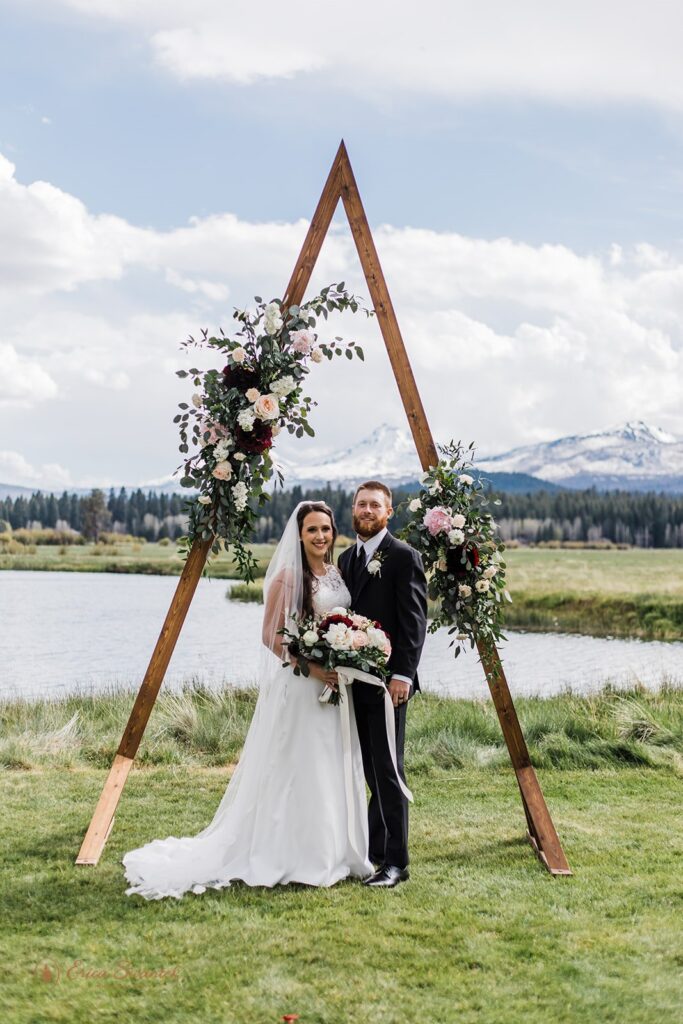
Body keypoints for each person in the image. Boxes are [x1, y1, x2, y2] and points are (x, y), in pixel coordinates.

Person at [122, 501, 373, 899]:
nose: (320, 536)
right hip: (303, 686)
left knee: (331, 764)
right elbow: (271, 636)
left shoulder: (336, 571)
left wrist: (346, 650)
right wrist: (312, 667)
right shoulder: (289, 577)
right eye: (312, 530)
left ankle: (335, 850)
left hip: (336, 687)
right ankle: (293, 854)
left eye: (325, 529)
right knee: (299, 767)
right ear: (299, 534)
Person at [338, 481, 428, 888]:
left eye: (376, 504)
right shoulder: (347, 558)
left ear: (389, 512)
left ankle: (397, 863)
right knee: (370, 772)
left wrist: (403, 675)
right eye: (361, 504)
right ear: (353, 510)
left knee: (389, 771)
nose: (367, 510)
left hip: (389, 685)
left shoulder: (404, 557)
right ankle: (375, 852)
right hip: (353, 684)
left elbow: (414, 622)